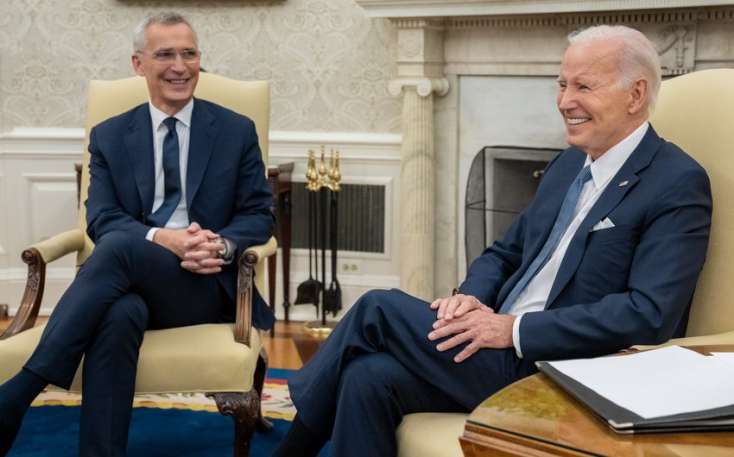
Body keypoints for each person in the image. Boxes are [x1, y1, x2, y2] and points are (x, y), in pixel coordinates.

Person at [273, 24, 713, 457]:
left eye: (583, 86)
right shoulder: (568, 165)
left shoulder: (676, 182)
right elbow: (505, 252)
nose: (564, 102)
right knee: (367, 377)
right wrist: (470, 299)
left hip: (565, 367)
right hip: (498, 347)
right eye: (562, 85)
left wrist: (513, 330)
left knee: (377, 308)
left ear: (635, 95)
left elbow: (648, 313)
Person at [0, 12, 273, 456]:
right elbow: (102, 217)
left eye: (189, 54)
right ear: (138, 63)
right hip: (129, 283)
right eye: (165, 55)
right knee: (120, 313)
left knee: (119, 248)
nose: (180, 66)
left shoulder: (234, 129)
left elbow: (259, 214)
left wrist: (220, 245)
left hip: (204, 284)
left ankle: (19, 392)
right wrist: (164, 239)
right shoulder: (110, 135)